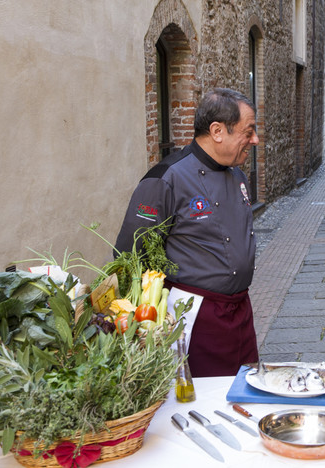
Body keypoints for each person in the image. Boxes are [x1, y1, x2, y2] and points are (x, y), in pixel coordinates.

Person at [114, 88, 261, 378]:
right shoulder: (165, 179)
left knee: (245, 391)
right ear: (217, 131)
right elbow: (130, 257)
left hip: (240, 312)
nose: (255, 140)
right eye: (249, 131)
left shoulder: (238, 175)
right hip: (194, 317)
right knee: (203, 403)